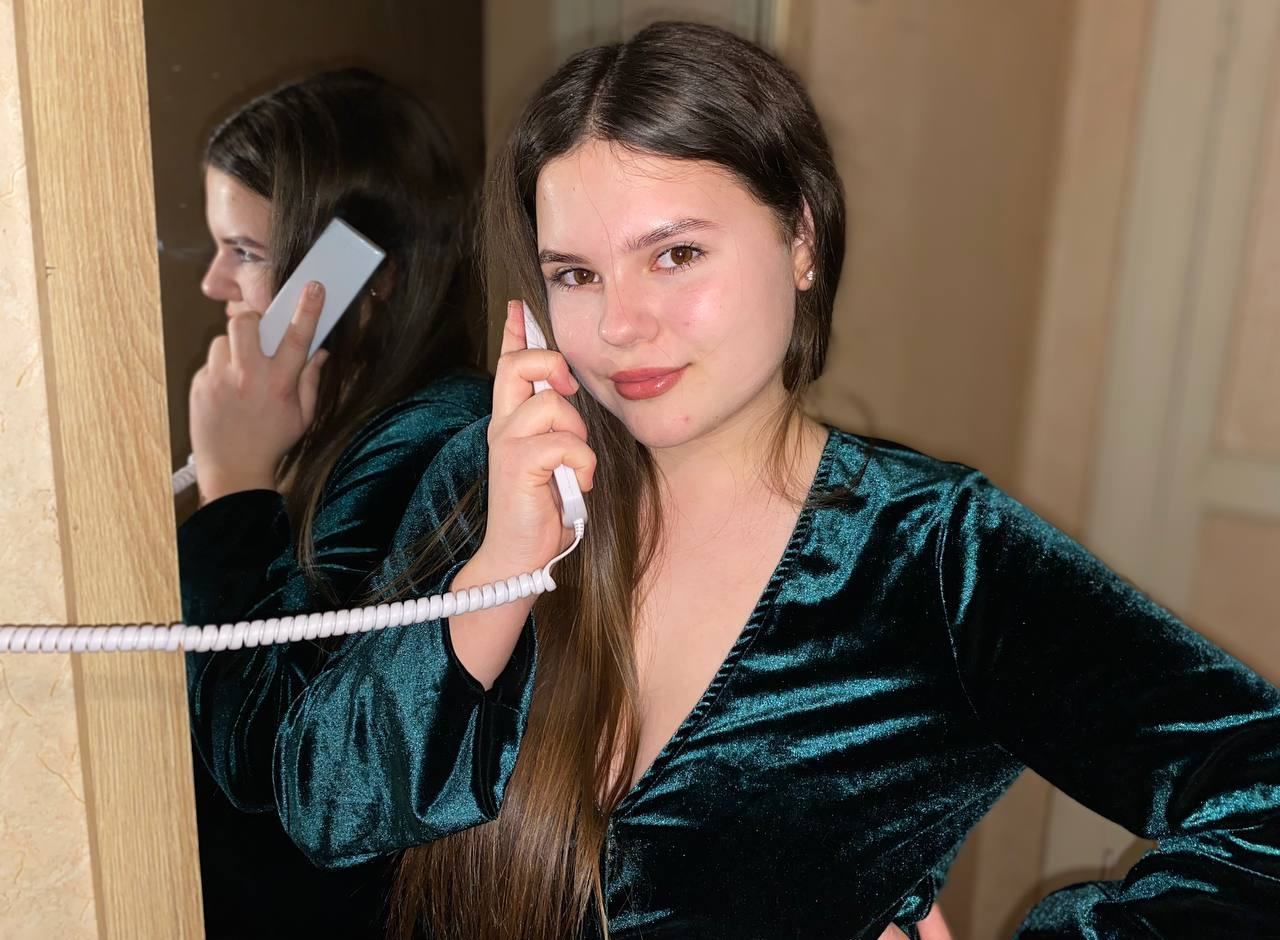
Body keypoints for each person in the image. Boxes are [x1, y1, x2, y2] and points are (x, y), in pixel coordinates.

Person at [231, 24, 1277, 940]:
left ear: (801, 240)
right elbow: (327, 807)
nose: (619, 325)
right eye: (575, 275)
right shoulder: (493, 477)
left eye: (675, 255)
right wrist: (500, 569)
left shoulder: (933, 554)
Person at [180, 69, 489, 938]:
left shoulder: (434, 438)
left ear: (362, 272)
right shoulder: (324, 421)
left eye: (245, 250)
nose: (213, 283)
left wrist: (234, 489)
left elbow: (273, 766)